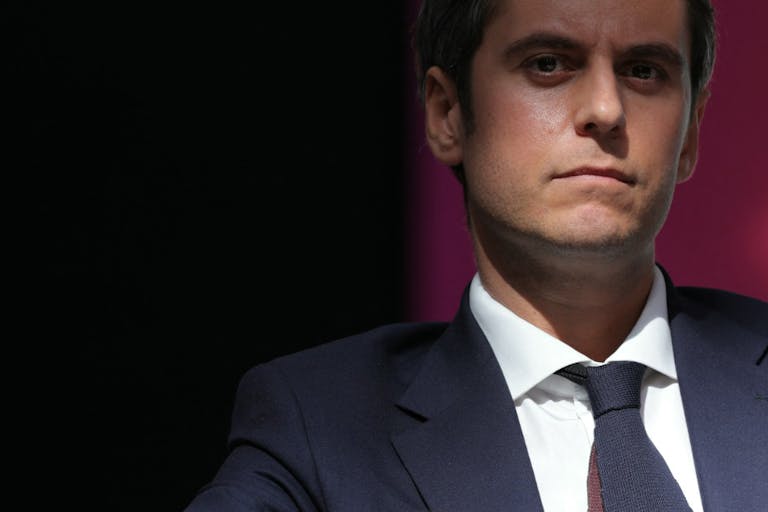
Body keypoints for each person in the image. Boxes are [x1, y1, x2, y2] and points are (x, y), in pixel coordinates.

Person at [185, 0, 767, 510]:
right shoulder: (316, 427)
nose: (606, 110)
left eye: (644, 71)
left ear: (690, 131)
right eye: (548, 63)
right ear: (447, 113)